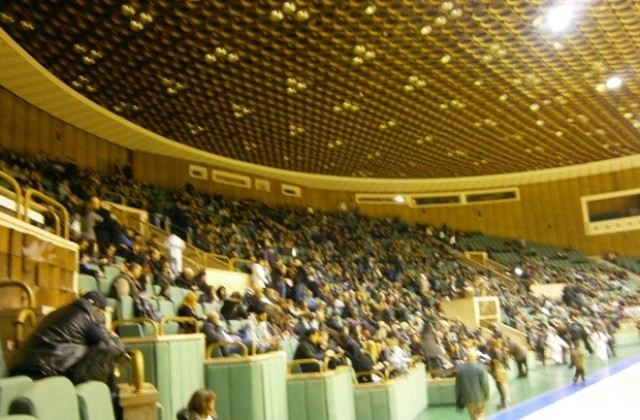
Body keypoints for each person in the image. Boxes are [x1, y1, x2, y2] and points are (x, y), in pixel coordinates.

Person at [10, 291, 126, 418]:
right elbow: (111, 348)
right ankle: (110, 403)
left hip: (22, 368)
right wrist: (115, 337)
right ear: (101, 310)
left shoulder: (58, 313)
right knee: (104, 353)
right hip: (49, 371)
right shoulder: (90, 315)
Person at [455, 351, 490, 420]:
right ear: (475, 358)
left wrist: (458, 398)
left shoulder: (461, 370)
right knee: (481, 414)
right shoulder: (480, 368)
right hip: (480, 398)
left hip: (468, 399)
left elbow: (458, 387)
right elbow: (485, 383)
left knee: (472, 417)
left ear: (467, 358)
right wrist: (487, 395)